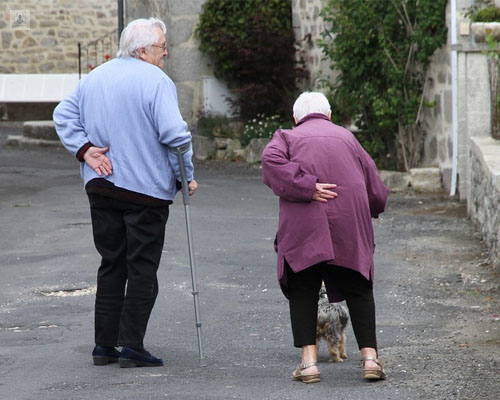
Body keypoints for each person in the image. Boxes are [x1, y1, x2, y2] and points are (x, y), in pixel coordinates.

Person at [53, 18, 197, 368]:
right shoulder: (157, 81)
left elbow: (62, 114)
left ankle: (104, 345)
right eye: (162, 47)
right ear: (144, 50)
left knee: (112, 263)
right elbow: (175, 136)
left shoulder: (96, 76)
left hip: (101, 185)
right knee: (142, 268)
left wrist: (85, 149)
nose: (165, 53)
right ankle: (132, 345)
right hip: (145, 189)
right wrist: (185, 177)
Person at [261, 92, 389, 383]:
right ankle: (370, 359)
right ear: (329, 115)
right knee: (358, 286)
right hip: (349, 222)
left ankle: (308, 364)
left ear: (296, 118)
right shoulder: (347, 138)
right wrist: (373, 207)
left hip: (305, 224)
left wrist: (306, 186)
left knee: (304, 286)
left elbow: (269, 160)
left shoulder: (287, 137)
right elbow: (376, 187)